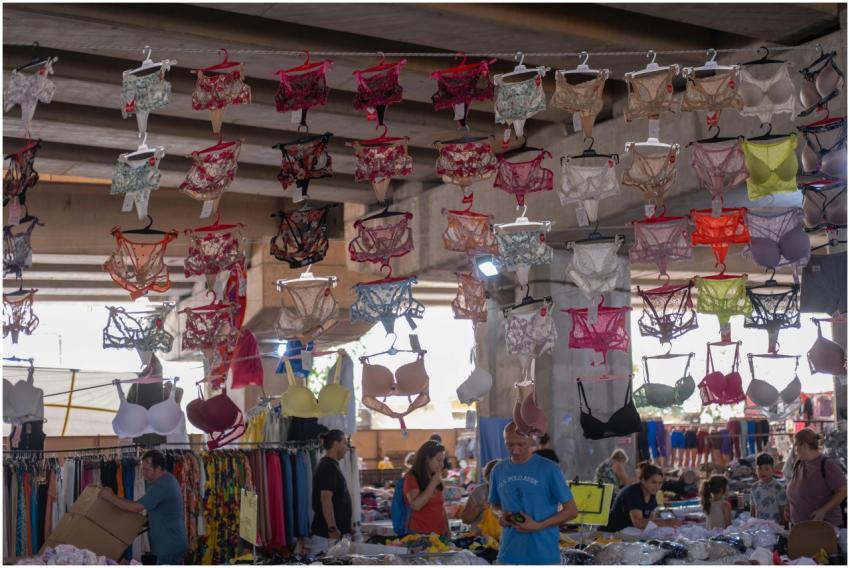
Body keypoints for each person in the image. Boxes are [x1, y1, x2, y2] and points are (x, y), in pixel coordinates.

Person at [489, 422, 578, 564]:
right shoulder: (498, 470)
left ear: (530, 440)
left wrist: (539, 525)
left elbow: (572, 511)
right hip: (508, 554)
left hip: (543, 556)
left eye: (520, 444)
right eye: (510, 444)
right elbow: (494, 504)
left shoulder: (549, 469)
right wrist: (501, 515)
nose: (515, 450)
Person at [99, 450, 187, 565]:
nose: (143, 473)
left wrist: (110, 497)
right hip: (168, 543)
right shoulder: (164, 480)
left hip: (169, 545)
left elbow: (135, 507)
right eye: (142, 469)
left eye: (147, 470)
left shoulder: (163, 484)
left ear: (159, 468)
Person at [786, 428, 847, 527]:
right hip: (800, 527)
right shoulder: (799, 463)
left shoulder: (827, 464)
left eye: (796, 446)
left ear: (804, 445)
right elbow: (794, 487)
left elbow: (843, 490)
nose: (795, 451)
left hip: (823, 528)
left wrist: (823, 511)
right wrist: (788, 506)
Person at [309, 430, 353, 553]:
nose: (347, 447)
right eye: (344, 443)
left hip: (330, 536)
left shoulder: (331, 465)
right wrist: (332, 529)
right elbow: (325, 499)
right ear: (335, 444)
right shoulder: (328, 467)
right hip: (326, 537)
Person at [604, 464, 682, 532]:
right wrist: (666, 522)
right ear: (643, 480)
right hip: (613, 533)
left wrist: (668, 522)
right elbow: (639, 523)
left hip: (631, 531)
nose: (657, 486)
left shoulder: (652, 493)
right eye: (653, 482)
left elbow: (651, 520)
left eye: (660, 483)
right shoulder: (632, 492)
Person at [404, 440, 450, 536]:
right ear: (427, 459)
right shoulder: (412, 477)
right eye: (438, 460)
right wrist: (432, 484)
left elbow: (441, 506)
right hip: (420, 535)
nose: (442, 465)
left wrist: (447, 528)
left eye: (443, 460)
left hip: (439, 534)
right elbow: (416, 505)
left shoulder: (434, 476)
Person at [461, 460, 500, 537]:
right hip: (480, 540)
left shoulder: (511, 493)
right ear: (487, 477)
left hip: (504, 540)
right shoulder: (479, 492)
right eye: (492, 477)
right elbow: (465, 519)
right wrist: (480, 507)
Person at [750, 452, 788, 526]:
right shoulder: (754, 487)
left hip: (775, 527)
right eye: (759, 469)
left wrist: (784, 527)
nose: (762, 472)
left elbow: (783, 509)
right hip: (759, 527)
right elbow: (753, 508)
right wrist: (751, 525)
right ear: (756, 470)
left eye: (766, 469)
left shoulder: (778, 487)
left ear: (773, 469)